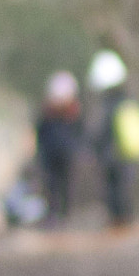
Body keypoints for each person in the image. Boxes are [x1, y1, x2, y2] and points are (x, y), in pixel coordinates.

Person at [86, 49, 138, 228]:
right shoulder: (127, 100)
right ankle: (124, 219)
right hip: (125, 153)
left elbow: (101, 131)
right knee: (123, 187)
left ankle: (119, 221)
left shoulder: (108, 105)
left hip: (112, 153)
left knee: (114, 188)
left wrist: (94, 146)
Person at [34, 70, 83, 226]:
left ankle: (66, 214)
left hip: (66, 153)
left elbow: (79, 132)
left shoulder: (73, 112)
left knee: (67, 184)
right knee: (51, 185)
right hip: (50, 154)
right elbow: (40, 132)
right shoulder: (47, 113)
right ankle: (53, 214)